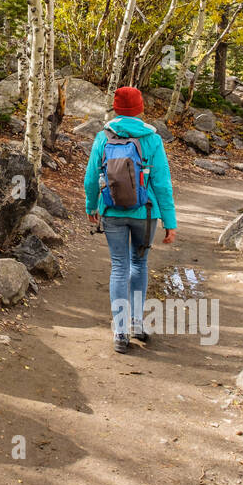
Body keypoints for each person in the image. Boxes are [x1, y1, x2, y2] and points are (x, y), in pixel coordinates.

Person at [82, 86, 177, 353]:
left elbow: (91, 178)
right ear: (140, 108)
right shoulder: (152, 139)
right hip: (146, 213)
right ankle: (137, 323)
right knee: (139, 264)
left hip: (112, 211)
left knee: (119, 267)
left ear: (115, 108)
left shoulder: (103, 137)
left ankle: (120, 330)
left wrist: (92, 205)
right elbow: (162, 184)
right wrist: (170, 222)